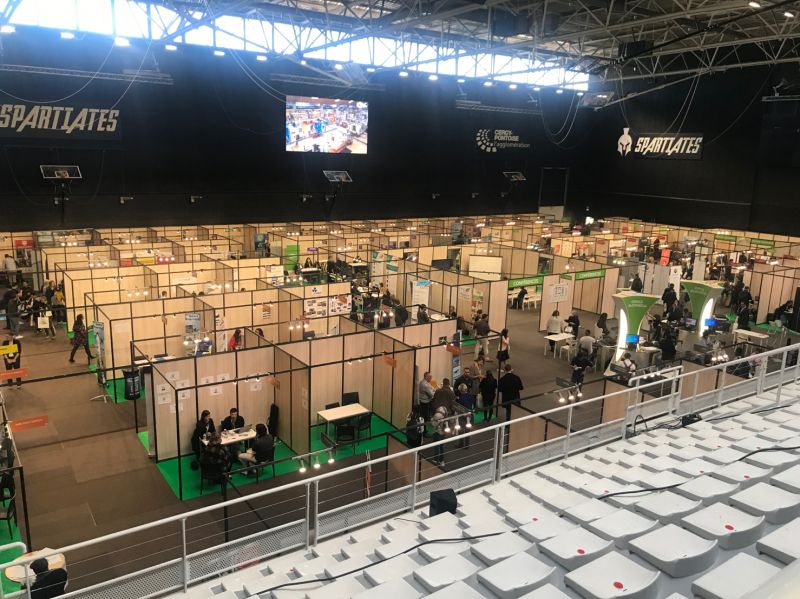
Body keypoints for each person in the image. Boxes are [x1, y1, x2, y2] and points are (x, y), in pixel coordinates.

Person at [455, 383, 475, 448]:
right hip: (470, 415)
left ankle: (461, 444)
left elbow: (459, 407)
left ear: (461, 390)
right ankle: (467, 445)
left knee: (461, 430)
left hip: (463, 415)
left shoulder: (461, 398)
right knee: (468, 430)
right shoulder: (470, 396)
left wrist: (457, 400)